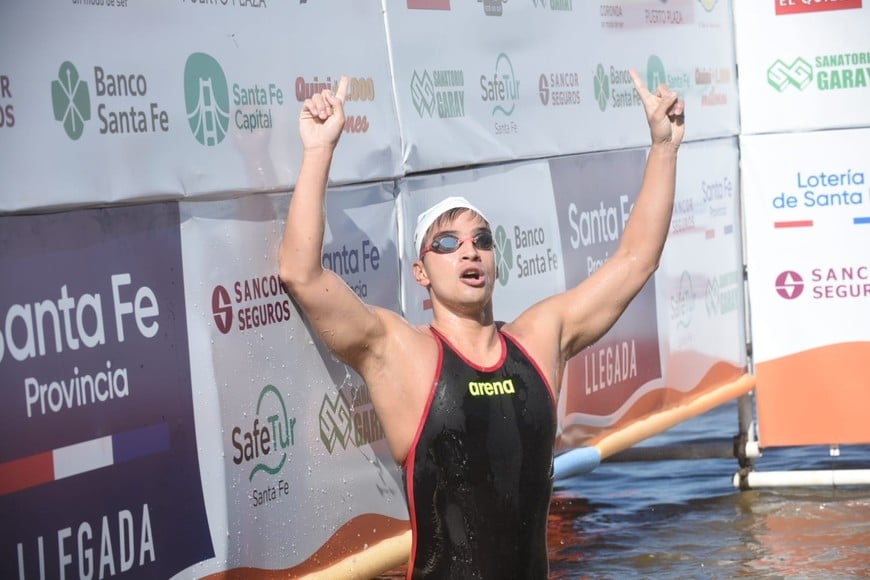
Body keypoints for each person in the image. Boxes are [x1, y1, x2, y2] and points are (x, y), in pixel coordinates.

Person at [279, 71, 684, 579]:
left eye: (482, 240)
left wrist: (664, 149)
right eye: (447, 243)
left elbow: (635, 261)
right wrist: (318, 151)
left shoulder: (540, 339)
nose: (468, 249)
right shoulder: (402, 354)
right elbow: (301, 273)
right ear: (421, 273)